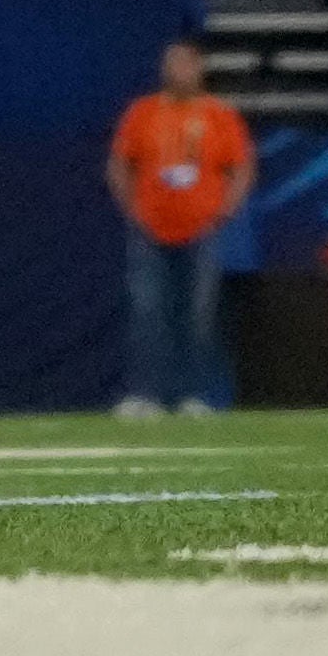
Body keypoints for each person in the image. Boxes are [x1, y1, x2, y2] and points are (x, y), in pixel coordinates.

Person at [106, 32, 250, 415]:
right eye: (171, 62)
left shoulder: (219, 115)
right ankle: (145, 395)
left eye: (186, 62)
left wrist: (225, 210)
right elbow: (120, 163)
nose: (178, 70)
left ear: (199, 68)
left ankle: (195, 396)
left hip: (200, 228)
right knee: (148, 311)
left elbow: (240, 168)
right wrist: (131, 208)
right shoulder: (143, 112)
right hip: (149, 227)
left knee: (198, 314)